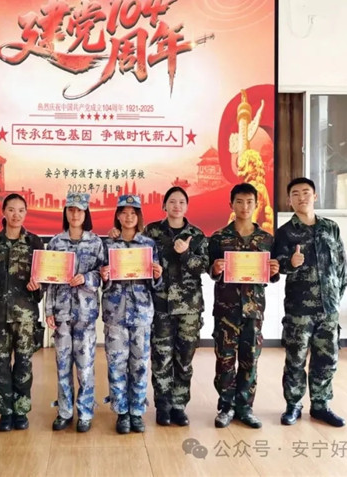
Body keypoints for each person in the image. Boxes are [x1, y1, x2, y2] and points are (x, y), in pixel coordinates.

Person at [273, 178, 347, 427]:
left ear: (315, 196)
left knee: (327, 360)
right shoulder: (285, 232)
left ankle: (321, 405)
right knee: (295, 359)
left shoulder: (331, 228)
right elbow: (276, 266)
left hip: (329, 309)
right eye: (295, 194)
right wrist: (290, 264)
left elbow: (341, 266)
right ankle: (293, 405)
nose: (301, 197)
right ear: (289, 201)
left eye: (306, 192)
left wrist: (336, 297)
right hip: (299, 310)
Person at [209, 183, 280, 429]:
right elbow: (210, 270)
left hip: (253, 310)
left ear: (256, 205)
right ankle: (226, 407)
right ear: (231, 204)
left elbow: (271, 275)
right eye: (239, 201)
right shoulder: (219, 237)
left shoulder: (267, 239)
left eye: (250, 202)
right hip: (226, 309)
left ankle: (245, 407)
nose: (244, 206)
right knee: (225, 360)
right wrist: (215, 268)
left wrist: (274, 271)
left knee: (250, 359)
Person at [144, 186, 209, 426]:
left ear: (187, 206)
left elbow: (205, 267)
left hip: (189, 308)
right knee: (161, 357)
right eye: (172, 201)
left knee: (184, 358)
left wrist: (185, 254)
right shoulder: (151, 231)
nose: (177, 206)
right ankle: (163, 405)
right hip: (160, 305)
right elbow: (138, 257)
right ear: (164, 205)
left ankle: (179, 406)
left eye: (181, 202)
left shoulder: (197, 234)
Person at [0, 194, 44, 432]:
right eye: (11, 209)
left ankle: (21, 411)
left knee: (24, 364)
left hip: (26, 315)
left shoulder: (34, 242)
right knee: (1, 365)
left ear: (26, 213)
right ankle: (5, 413)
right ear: (3, 212)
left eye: (21, 210)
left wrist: (38, 287)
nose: (16, 215)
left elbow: (43, 277)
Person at [100, 194, 162, 434]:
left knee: (140, 364)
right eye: (124, 213)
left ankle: (136, 411)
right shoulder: (108, 244)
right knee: (116, 364)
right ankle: (121, 412)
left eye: (133, 213)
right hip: (115, 313)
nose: (128, 217)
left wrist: (157, 274)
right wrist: (104, 275)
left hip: (141, 312)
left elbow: (155, 282)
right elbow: (100, 278)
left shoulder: (148, 244)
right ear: (117, 215)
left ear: (139, 216)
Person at [45, 192, 104, 432]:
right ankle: (65, 412)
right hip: (61, 313)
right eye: (71, 209)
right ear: (65, 212)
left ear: (86, 213)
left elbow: (103, 275)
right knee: (62, 365)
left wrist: (86, 277)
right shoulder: (55, 242)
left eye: (80, 210)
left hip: (85, 314)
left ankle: (86, 412)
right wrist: (48, 310)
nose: (75, 214)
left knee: (85, 366)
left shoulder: (96, 242)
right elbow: (49, 280)